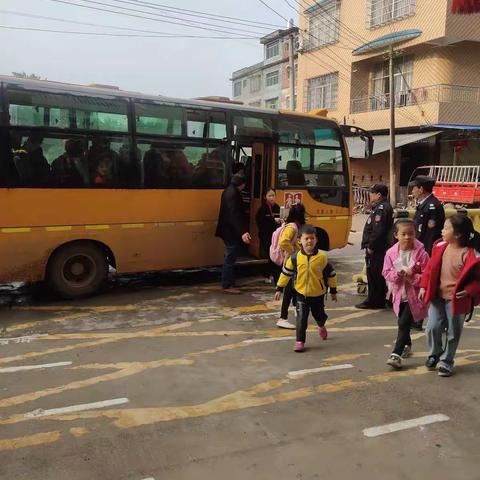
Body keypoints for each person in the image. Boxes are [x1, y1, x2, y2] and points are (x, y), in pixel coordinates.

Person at [419, 214, 480, 377]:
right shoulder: (440, 246)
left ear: (458, 234)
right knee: (432, 327)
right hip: (437, 297)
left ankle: (446, 361)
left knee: (453, 332)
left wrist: (469, 291)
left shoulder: (471, 254)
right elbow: (430, 269)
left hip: (457, 300)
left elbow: (477, 280)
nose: (442, 230)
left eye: (446, 228)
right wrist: (424, 286)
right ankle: (435, 353)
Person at [275, 224, 338, 352]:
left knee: (319, 315)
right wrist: (279, 288)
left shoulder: (322, 258)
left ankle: (321, 325)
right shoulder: (295, 258)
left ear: (316, 240)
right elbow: (286, 273)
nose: (309, 241)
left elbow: (331, 275)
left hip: (318, 294)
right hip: (300, 294)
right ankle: (300, 341)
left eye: (312, 238)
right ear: (299, 241)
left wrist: (333, 290)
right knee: (301, 317)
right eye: (306, 238)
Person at [382, 219, 430, 369]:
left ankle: (396, 355)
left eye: (411, 233)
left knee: (404, 323)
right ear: (396, 235)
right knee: (402, 322)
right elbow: (386, 272)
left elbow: (428, 275)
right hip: (398, 295)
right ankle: (407, 344)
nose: (408, 237)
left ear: (416, 234)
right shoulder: (390, 253)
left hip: (415, 296)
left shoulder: (422, 254)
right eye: (404, 234)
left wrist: (411, 276)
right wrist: (397, 274)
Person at [356, 184, 394, 309]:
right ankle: (376, 299)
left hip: (377, 248)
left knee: (375, 274)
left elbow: (378, 231)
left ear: (378, 194)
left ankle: (375, 301)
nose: (370, 195)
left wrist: (371, 246)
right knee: (374, 274)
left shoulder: (381, 208)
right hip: (379, 248)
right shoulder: (380, 206)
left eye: (372, 193)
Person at [215, 174, 252, 294]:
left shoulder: (229, 190)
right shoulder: (233, 194)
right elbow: (234, 215)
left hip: (228, 230)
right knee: (230, 258)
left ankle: (229, 282)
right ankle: (227, 285)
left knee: (230, 256)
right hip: (230, 231)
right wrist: (242, 232)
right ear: (241, 184)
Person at [276, 203, 306, 329]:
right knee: (288, 290)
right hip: (291, 262)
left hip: (292, 262)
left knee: (293, 287)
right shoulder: (293, 227)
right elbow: (283, 241)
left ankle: (294, 307)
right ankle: (282, 318)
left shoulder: (293, 226)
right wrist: (294, 252)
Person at [409, 175, 445, 256]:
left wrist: (426, 254)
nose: (412, 191)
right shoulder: (424, 204)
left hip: (427, 250)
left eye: (414, 188)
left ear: (421, 189)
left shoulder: (432, 206)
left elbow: (431, 236)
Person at [255, 188, 282, 284]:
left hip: (275, 236)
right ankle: (268, 274)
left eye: (273, 195)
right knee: (269, 256)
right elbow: (260, 220)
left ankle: (271, 275)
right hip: (266, 235)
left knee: (274, 256)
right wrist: (272, 220)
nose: (272, 198)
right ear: (265, 197)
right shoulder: (263, 208)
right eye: (269, 195)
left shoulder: (277, 207)